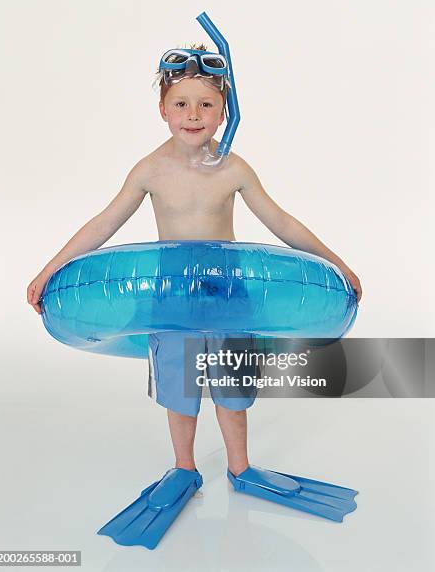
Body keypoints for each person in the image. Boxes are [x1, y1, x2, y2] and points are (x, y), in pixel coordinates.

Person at [27, 44, 362, 548]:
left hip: (229, 296)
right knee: (180, 394)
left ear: (225, 110)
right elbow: (104, 223)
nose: (193, 115)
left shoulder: (234, 169)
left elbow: (283, 223)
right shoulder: (149, 170)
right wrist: (50, 268)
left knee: (231, 392)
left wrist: (337, 263)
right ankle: (183, 469)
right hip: (169, 299)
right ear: (162, 109)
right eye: (181, 103)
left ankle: (240, 468)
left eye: (206, 104)